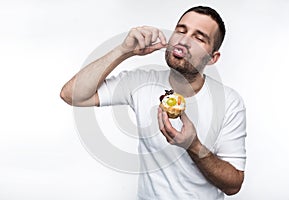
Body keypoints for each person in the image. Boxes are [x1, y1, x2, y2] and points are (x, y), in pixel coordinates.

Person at [60, 5, 246, 199]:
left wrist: (193, 145)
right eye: (181, 30)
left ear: (212, 58)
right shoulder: (141, 82)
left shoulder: (229, 102)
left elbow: (233, 185)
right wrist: (124, 50)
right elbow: (71, 94)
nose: (184, 40)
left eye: (199, 38)